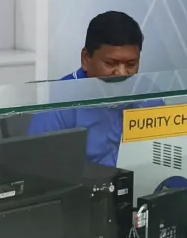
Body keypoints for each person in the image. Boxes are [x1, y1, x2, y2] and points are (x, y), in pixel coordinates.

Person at [28, 11, 162, 167]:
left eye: (131, 64)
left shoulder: (146, 91)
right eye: (111, 63)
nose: (122, 73)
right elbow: (38, 165)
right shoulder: (60, 100)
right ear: (86, 58)